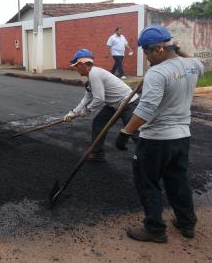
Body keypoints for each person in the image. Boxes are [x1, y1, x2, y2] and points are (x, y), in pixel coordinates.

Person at [116, 25, 204, 243]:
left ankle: (154, 229)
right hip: (182, 137)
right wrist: (178, 49)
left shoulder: (157, 72)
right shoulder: (193, 66)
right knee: (178, 181)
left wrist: (125, 132)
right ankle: (186, 222)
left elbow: (146, 110)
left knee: (147, 182)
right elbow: (194, 61)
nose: (146, 57)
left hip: (156, 140)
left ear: (159, 50)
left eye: (147, 51)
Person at [64, 49, 139, 162]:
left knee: (134, 131)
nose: (76, 68)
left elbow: (99, 99)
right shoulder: (91, 77)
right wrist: (73, 112)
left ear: (82, 64)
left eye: (76, 66)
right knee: (98, 123)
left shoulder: (94, 74)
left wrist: (87, 111)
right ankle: (97, 154)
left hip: (128, 103)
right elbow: (87, 97)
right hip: (114, 105)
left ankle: (150, 156)